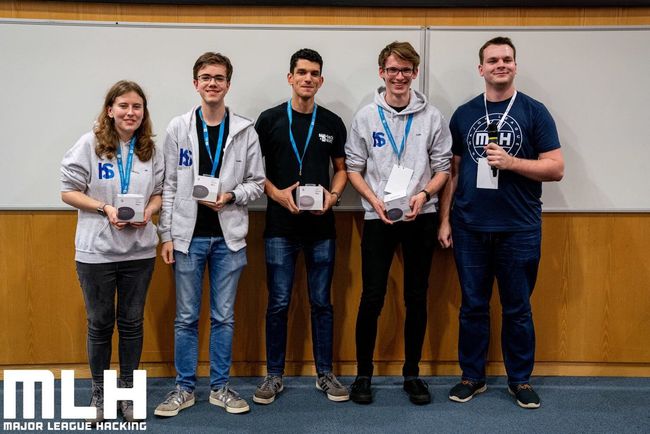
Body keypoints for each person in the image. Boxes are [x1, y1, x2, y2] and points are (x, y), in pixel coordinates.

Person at [438, 36, 564, 409]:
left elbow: (555, 168)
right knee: (473, 306)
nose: (500, 65)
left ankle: (520, 380)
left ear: (515, 65)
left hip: (519, 228)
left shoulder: (534, 111)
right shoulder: (463, 113)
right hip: (470, 227)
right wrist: (444, 220)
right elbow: (455, 171)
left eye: (507, 59)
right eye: (493, 60)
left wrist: (512, 163)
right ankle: (472, 377)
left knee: (518, 308)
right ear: (481, 69)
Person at [154, 52, 265, 416]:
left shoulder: (245, 130)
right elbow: (168, 186)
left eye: (219, 77)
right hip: (187, 238)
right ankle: (184, 388)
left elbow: (257, 184)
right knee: (185, 317)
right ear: (196, 83)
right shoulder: (177, 128)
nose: (212, 83)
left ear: (228, 84)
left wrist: (231, 195)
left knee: (224, 316)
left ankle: (220, 387)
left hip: (228, 238)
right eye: (206, 77)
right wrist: (166, 236)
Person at [345, 41, 452, 405]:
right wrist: (373, 199)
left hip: (419, 217)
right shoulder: (365, 117)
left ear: (414, 73)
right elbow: (353, 168)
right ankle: (363, 375)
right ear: (382, 73)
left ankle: (412, 374)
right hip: (378, 217)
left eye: (406, 70)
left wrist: (424, 195)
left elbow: (443, 168)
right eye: (392, 70)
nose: (399, 76)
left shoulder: (432, 117)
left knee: (416, 296)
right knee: (371, 297)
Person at [61, 80, 163, 423]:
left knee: (132, 323)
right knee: (100, 324)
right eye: (123, 106)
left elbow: (160, 192)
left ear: (143, 112)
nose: (130, 112)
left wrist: (149, 211)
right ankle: (101, 393)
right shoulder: (89, 144)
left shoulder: (150, 148)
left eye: (137, 107)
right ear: (110, 110)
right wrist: (103, 207)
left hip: (139, 251)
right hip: (96, 253)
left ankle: (128, 394)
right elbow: (68, 191)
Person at [252, 48, 349, 404]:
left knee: (322, 302)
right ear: (290, 77)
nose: (308, 78)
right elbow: (251, 170)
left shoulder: (332, 122)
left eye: (314, 73)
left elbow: (341, 169)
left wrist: (334, 197)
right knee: (278, 303)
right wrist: (276, 194)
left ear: (320, 81)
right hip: (280, 227)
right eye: (302, 72)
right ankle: (274, 375)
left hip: (321, 229)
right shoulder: (269, 120)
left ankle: (325, 373)